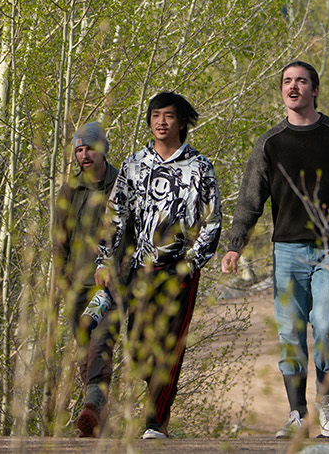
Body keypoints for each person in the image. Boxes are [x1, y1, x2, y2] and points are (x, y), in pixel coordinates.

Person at [220, 61, 329, 440]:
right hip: (288, 249)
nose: (293, 87)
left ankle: (326, 407)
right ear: (282, 91)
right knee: (291, 331)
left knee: (325, 326)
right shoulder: (271, 142)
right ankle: (295, 414)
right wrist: (235, 244)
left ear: (315, 90)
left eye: (301, 81)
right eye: (287, 81)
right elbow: (251, 198)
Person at [80, 92, 221, 440]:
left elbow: (212, 221)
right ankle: (150, 401)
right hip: (141, 269)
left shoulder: (200, 167)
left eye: (169, 116)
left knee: (170, 346)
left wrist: (192, 263)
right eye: (156, 115)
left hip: (181, 269)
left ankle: (155, 422)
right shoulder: (133, 165)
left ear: (182, 122)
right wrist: (104, 261)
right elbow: (116, 217)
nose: (161, 122)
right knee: (141, 347)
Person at [56, 122, 124, 438]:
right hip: (77, 286)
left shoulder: (122, 186)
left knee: (101, 345)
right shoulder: (69, 191)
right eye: (79, 150)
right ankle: (97, 416)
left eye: (89, 148)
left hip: (111, 286)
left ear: (102, 149)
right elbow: (60, 242)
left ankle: (93, 404)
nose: (84, 155)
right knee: (86, 352)